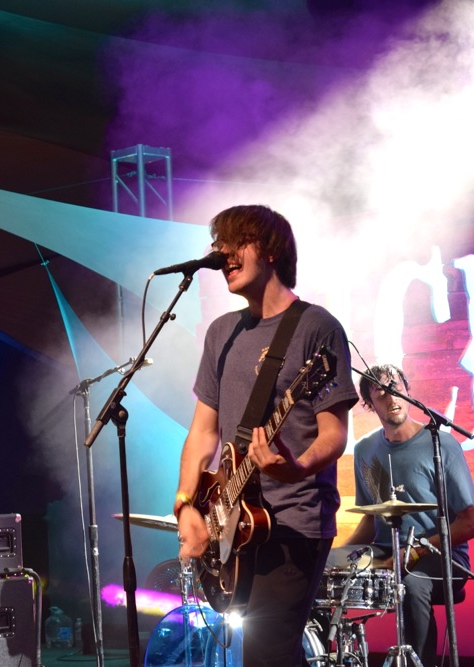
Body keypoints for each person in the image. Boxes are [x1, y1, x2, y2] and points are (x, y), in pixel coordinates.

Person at [173, 204, 358, 666]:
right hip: (231, 526)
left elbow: (335, 435)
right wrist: (185, 505)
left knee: (266, 655)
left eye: (236, 243)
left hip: (294, 521)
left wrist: (296, 467)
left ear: (272, 250)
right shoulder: (222, 333)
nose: (223, 255)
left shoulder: (316, 327)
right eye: (218, 246)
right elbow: (203, 432)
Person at [335, 363, 474, 666]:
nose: (391, 397)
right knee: (323, 570)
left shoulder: (441, 443)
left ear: (409, 392)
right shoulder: (366, 450)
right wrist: (337, 554)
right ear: (369, 404)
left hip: (443, 555)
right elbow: (375, 519)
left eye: (396, 388)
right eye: (381, 392)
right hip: (388, 550)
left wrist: (417, 551)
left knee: (410, 584)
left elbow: (470, 520)